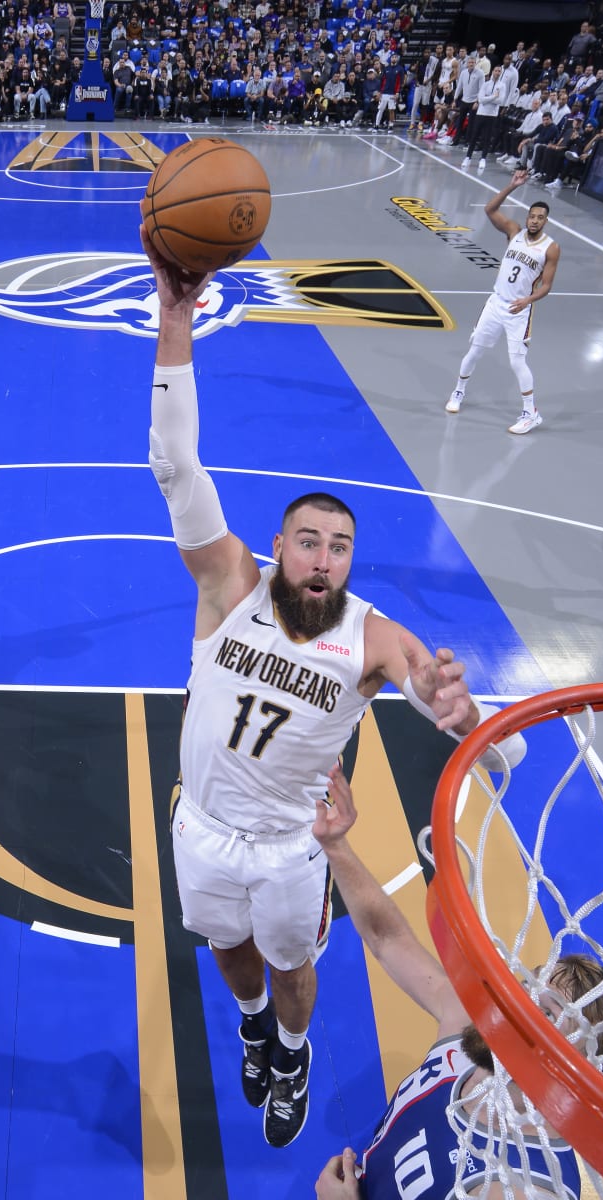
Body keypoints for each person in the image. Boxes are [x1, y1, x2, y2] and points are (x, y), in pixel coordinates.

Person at [141, 230, 525, 1148]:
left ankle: (292, 1049)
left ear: (352, 562)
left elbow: (485, 733)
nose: (322, 558)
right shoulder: (229, 585)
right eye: (308, 541)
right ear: (279, 548)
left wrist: (467, 716)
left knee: (292, 968)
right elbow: (175, 465)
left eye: (339, 547)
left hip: (290, 846)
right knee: (227, 951)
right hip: (202, 824)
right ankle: (251, 1028)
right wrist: (175, 320)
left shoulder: (373, 637)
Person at [308, 766, 603, 1200]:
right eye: (531, 984)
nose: (517, 1003)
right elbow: (387, 939)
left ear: (580, 1068)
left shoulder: (525, 1188)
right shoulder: (473, 1034)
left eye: (546, 1011)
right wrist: (335, 844)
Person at [446, 171, 561, 434]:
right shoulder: (514, 232)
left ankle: (531, 414)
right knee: (474, 351)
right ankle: (458, 392)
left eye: (540, 217)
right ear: (527, 217)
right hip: (496, 303)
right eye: (532, 216)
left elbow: (547, 286)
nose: (535, 220)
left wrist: (528, 300)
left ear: (545, 221)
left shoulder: (551, 248)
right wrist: (512, 186)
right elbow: (489, 209)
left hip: (519, 310)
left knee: (517, 362)